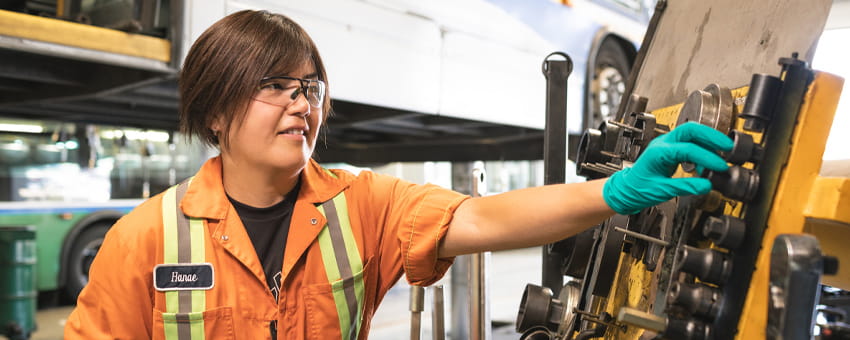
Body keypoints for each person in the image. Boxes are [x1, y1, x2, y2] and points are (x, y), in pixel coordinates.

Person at [64, 9, 733, 340]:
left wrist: (613, 191)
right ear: (214, 111)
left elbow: (482, 217)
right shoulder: (145, 240)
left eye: (310, 87)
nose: (302, 104)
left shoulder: (361, 206)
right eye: (275, 86)